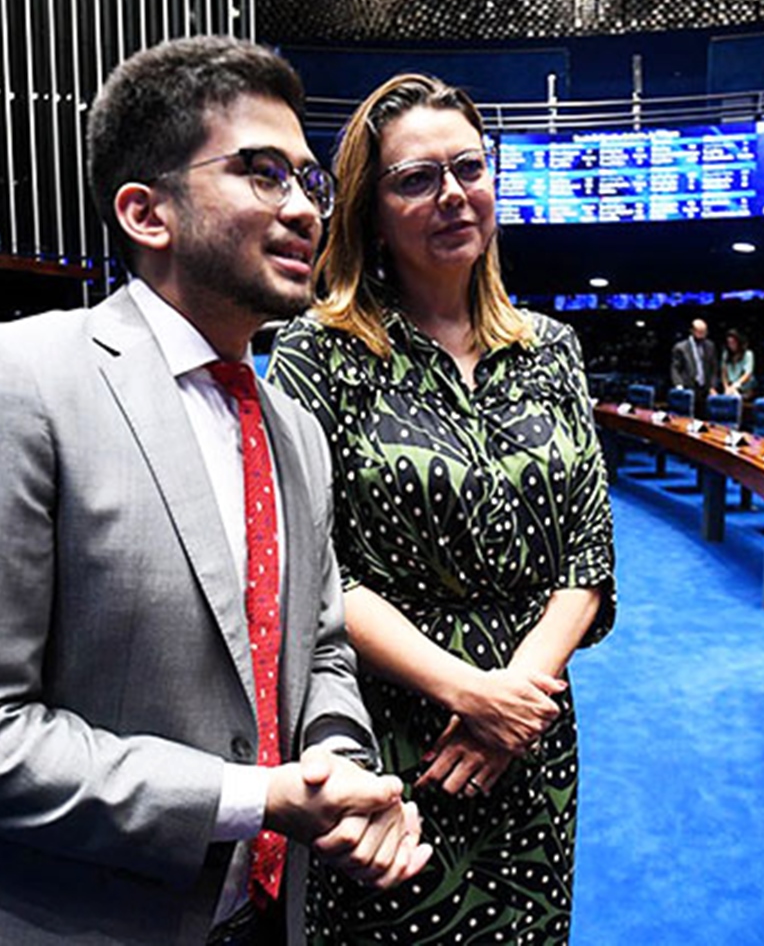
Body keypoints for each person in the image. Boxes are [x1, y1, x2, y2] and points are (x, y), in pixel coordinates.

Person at [0, 36, 429, 946]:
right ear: (146, 212)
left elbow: (321, 645)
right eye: (261, 172)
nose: (303, 210)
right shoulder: (7, 378)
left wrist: (333, 762)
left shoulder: (292, 425)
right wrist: (255, 797)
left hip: (259, 919)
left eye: (309, 181)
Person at [268, 73, 616, 944]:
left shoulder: (552, 348)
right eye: (417, 178)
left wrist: (513, 704)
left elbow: (589, 549)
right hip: (403, 744)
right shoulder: (320, 351)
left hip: (533, 737)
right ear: (371, 210)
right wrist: (468, 691)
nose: (454, 193)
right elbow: (311, 569)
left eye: (469, 167)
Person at [670, 317, 720, 411]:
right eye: (700, 331)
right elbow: (675, 368)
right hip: (688, 388)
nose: (703, 334)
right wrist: (679, 386)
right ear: (692, 331)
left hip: (705, 389)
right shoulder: (681, 348)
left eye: (704, 332)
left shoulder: (710, 346)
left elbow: (714, 368)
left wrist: (713, 386)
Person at [721, 328, 756, 397]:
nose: (731, 345)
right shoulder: (726, 354)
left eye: (733, 342)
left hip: (745, 386)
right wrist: (726, 387)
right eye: (729, 343)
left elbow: (748, 373)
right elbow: (724, 373)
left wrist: (736, 386)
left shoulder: (748, 354)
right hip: (730, 386)